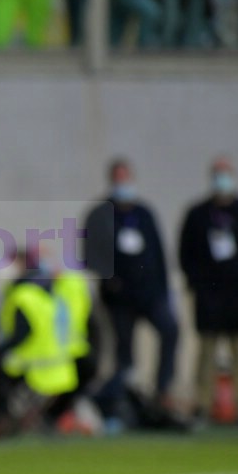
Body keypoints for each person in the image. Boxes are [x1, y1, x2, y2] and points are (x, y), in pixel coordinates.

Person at [84, 158, 179, 431]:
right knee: (125, 353)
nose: (123, 183)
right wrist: (111, 282)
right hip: (119, 299)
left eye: (126, 177)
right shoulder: (100, 214)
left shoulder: (144, 213)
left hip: (150, 294)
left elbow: (158, 253)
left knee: (170, 330)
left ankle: (162, 389)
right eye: (119, 177)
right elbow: (90, 253)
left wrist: (163, 290)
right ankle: (123, 398)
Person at [178, 155, 238, 425]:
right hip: (209, 294)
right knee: (206, 352)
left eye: (226, 173)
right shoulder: (198, 214)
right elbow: (185, 253)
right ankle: (202, 404)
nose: (222, 180)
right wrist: (197, 283)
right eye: (218, 174)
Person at [0, 250, 81, 438]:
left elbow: (21, 337)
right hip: (59, 369)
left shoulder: (23, 296)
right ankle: (8, 418)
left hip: (36, 370)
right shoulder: (43, 292)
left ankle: (1, 418)